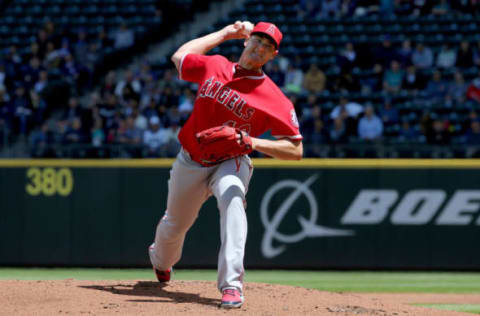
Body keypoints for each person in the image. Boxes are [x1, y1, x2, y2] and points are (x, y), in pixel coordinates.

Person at [148, 21, 302, 309]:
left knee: (233, 198)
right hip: (191, 160)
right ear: (246, 42)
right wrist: (225, 33)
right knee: (175, 225)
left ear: (272, 56)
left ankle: (231, 285)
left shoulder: (273, 97)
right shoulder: (215, 65)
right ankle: (160, 259)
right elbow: (179, 57)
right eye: (256, 40)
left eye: (267, 47)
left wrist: (251, 142)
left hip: (232, 160)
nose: (259, 48)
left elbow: (295, 149)